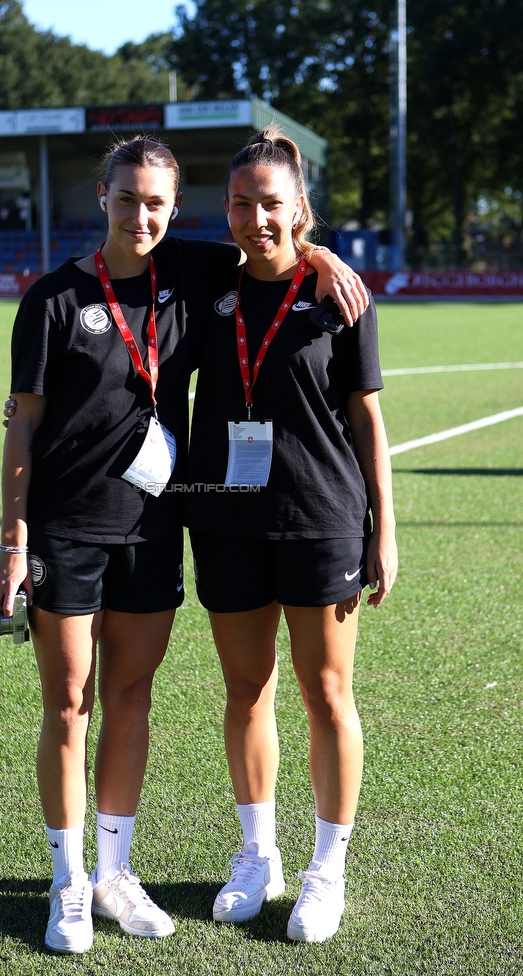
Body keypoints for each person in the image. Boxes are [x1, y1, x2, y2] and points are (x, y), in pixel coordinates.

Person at [0, 135, 367, 954]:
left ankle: (113, 874)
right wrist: (13, 539)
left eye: (156, 202)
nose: (140, 214)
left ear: (174, 210)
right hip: (66, 526)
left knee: (131, 700)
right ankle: (68, 885)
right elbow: (22, 418)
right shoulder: (54, 299)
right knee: (68, 706)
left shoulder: (191, 277)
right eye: (126, 198)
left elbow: (271, 234)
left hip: (157, 525)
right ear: (103, 196)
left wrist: (322, 252)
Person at [185, 126, 398, 943]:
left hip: (322, 520)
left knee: (326, 695)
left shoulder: (341, 295)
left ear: (299, 206)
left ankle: (327, 870)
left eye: (271, 203)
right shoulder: (207, 284)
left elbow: (366, 419)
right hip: (228, 517)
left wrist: (386, 528)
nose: (255, 218)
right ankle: (257, 853)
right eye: (241, 203)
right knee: (246, 692)